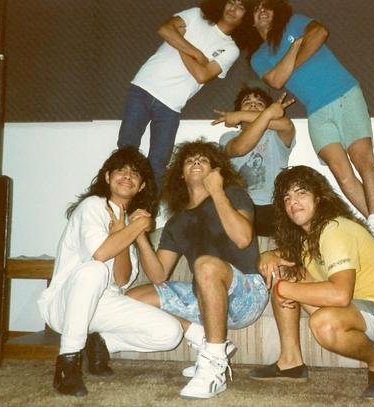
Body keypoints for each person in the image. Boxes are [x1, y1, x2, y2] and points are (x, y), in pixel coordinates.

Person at [248, 0, 374, 249]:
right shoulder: (259, 57)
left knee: (362, 158)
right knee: (341, 173)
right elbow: (275, 80)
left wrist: (288, 64)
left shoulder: (293, 22)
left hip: (344, 93)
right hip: (315, 111)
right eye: (255, 8)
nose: (261, 10)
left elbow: (320, 32)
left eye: (266, 5)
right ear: (251, 21)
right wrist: (296, 46)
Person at [127, 139, 269, 399]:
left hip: (247, 293)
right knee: (134, 298)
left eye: (203, 159)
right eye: (189, 160)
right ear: (181, 174)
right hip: (204, 298)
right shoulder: (176, 223)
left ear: (216, 171)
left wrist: (217, 192)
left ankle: (214, 366)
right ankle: (202, 336)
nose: (195, 162)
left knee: (205, 264)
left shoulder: (233, 195)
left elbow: (242, 238)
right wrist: (139, 237)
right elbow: (158, 275)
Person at [250, 165, 374, 399]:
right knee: (284, 272)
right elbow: (285, 260)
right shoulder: (308, 239)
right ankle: (290, 363)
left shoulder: (334, 228)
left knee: (323, 324)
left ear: (319, 198)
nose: (293, 202)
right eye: (287, 197)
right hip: (354, 310)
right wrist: (268, 255)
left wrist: (284, 289)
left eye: (301, 193)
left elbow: (340, 295)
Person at [37, 146, 183, 397]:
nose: (127, 175)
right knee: (94, 271)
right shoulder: (92, 206)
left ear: (141, 186)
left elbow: (122, 278)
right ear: (107, 177)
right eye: (121, 170)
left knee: (171, 333)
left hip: (105, 305)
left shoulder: (129, 223)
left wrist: (128, 231)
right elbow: (100, 254)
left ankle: (100, 343)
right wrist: (136, 227)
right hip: (66, 303)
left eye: (135, 173)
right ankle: (67, 364)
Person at [117, 0, 253, 187]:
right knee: (126, 148)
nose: (233, 8)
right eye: (231, 2)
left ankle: (148, 205)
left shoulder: (231, 49)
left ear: (246, 16)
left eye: (241, 7)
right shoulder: (197, 14)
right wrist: (197, 54)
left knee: (158, 162)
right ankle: (118, 199)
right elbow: (165, 29)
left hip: (171, 105)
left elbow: (202, 75)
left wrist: (180, 42)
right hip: (142, 87)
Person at [214, 85, 296, 236]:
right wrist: (268, 113)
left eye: (259, 103)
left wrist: (241, 115)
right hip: (240, 208)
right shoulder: (228, 137)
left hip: (275, 208)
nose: (253, 105)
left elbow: (287, 125)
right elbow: (239, 148)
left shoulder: (275, 135)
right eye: (247, 102)